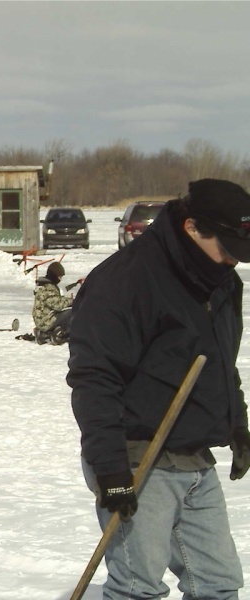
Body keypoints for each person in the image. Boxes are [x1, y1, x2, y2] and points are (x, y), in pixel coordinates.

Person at [68, 178, 250, 600]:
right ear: (191, 227)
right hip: (137, 459)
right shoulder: (127, 279)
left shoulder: (220, 281)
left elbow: (220, 361)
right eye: (225, 249)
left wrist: (235, 425)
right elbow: (95, 378)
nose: (232, 263)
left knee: (218, 585)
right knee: (137, 588)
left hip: (194, 462)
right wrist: (112, 470)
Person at [32, 261, 73, 344]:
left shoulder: (42, 286)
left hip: (41, 320)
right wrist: (72, 301)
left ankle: (45, 334)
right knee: (72, 312)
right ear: (53, 275)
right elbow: (57, 304)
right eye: (59, 276)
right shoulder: (48, 287)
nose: (60, 279)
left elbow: (54, 300)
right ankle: (63, 333)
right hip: (46, 320)